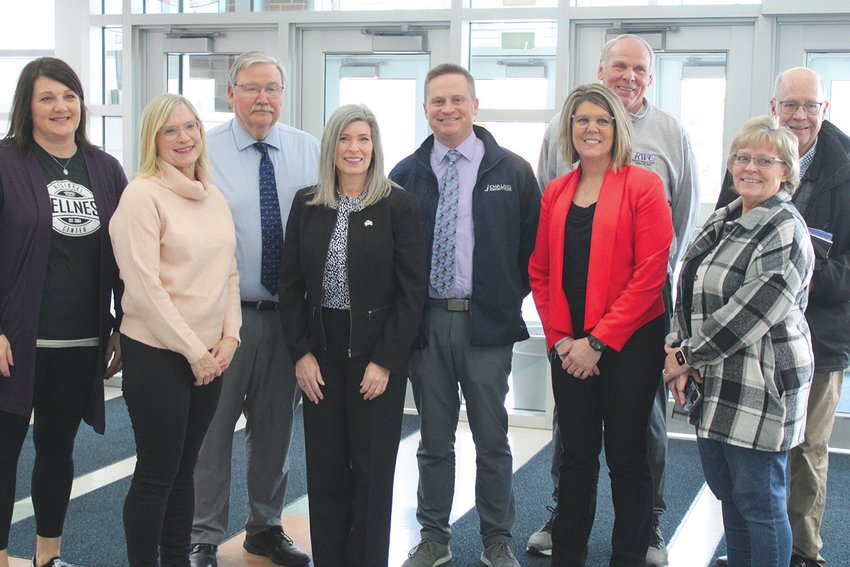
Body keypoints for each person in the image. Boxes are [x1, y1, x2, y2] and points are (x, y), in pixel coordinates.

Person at [529, 34, 701, 566]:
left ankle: (630, 553)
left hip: (629, 344)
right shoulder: (558, 191)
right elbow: (540, 270)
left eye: (602, 121)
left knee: (628, 461)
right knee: (576, 459)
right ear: (569, 129)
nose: (592, 129)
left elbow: (653, 273)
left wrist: (598, 341)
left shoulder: (644, 185)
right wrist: (562, 340)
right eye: (582, 120)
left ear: (618, 128)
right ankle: (568, 555)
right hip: (569, 349)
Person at [390, 63, 541, 567]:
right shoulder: (405, 174)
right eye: (438, 101)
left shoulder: (512, 171)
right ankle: (434, 536)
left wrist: (503, 298)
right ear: (426, 109)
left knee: (492, 439)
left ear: (475, 106)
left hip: (486, 327)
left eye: (457, 100)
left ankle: (496, 539)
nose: (448, 109)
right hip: (427, 324)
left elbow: (532, 250)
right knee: (433, 439)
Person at [278, 103, 426, 567]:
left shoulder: (397, 204)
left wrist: (385, 360)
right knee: (324, 473)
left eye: (363, 139)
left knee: (371, 474)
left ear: (375, 146)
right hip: (320, 354)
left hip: (375, 354)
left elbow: (411, 291)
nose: (354, 148)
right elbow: (289, 287)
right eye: (345, 139)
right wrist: (301, 354)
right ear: (331, 147)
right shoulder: (307, 203)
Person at [714, 68, 850, 567]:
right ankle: (756, 550)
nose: (798, 115)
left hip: (819, 337)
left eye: (809, 106)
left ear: (825, 110)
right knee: (750, 459)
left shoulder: (846, 167)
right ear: (775, 107)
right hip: (745, 345)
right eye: (790, 105)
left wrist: (793, 272)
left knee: (807, 450)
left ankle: (802, 553)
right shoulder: (754, 157)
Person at [665, 116, 814, 567]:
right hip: (716, 379)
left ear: (785, 170)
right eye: (743, 157)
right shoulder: (724, 219)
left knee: (760, 502)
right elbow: (687, 287)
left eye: (764, 160)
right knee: (728, 494)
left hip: (761, 384)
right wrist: (677, 349)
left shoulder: (785, 228)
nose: (750, 167)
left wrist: (685, 356)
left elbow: (750, 314)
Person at [189, 51, 318, 567]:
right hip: (222, 319)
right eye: (251, 87)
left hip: (289, 317)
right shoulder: (202, 150)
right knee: (211, 433)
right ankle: (202, 535)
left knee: (274, 434)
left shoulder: (310, 151)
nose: (263, 98)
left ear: (283, 94)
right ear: (231, 94)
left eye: (272, 88)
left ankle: (265, 527)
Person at [0, 57, 126, 567]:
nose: (60, 107)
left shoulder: (104, 168)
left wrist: (121, 324)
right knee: (3, 455)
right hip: (16, 342)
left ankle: (47, 556)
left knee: (57, 452)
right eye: (47, 97)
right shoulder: (6, 161)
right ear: (26, 106)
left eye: (69, 96)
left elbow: (124, 255)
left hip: (80, 342)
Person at [110, 93, 242, 567]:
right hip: (158, 354)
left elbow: (228, 270)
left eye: (191, 127)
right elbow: (144, 289)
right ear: (154, 139)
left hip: (209, 353)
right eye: (171, 130)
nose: (184, 137)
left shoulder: (213, 193)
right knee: (156, 474)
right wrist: (194, 351)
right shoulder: (141, 196)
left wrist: (229, 338)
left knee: (185, 472)